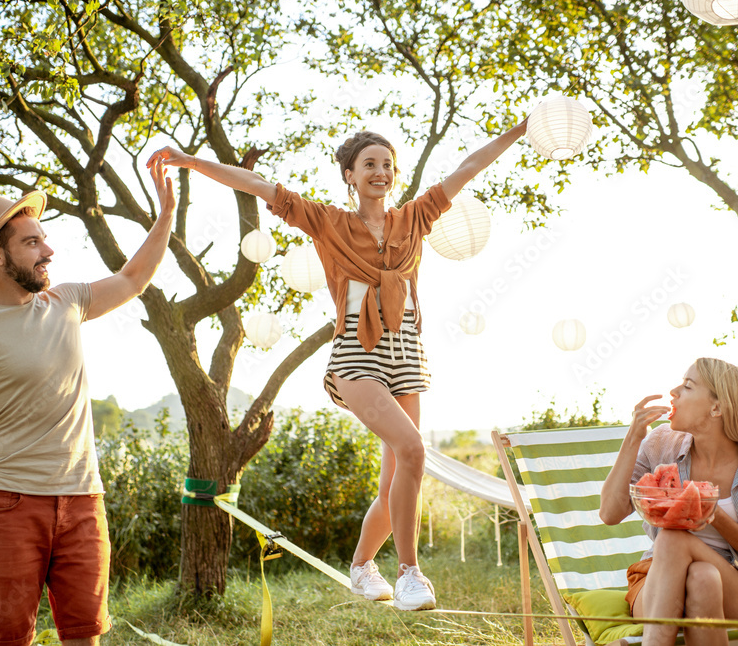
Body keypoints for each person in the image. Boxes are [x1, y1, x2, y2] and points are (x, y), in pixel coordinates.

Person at [148, 122, 526, 610]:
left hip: (407, 354)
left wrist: (521, 129)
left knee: (397, 476)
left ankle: (362, 565)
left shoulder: (415, 218)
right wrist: (191, 162)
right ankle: (411, 572)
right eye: (369, 164)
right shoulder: (329, 222)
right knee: (414, 449)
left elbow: (467, 167)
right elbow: (258, 184)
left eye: (387, 164)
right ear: (350, 175)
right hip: (356, 356)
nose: (381, 172)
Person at [0, 159, 177, 646]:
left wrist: (167, 214)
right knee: (9, 638)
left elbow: (133, 279)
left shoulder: (66, 302)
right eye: (32, 242)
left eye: (43, 239)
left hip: (84, 500)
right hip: (9, 504)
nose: (48, 250)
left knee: (84, 635)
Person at [599, 358, 738, 645]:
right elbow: (609, 513)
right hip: (655, 581)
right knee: (702, 577)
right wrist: (633, 438)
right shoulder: (660, 443)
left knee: (671, 538)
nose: (674, 392)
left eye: (688, 386)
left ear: (716, 407)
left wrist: (712, 512)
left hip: (736, 584)